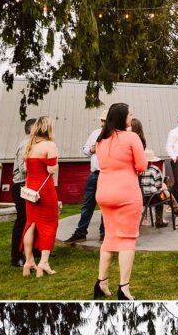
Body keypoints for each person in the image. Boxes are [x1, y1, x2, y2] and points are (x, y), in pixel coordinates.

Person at [93, 102, 147, 300]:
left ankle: (101, 282)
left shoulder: (101, 140)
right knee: (127, 239)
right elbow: (141, 165)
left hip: (104, 192)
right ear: (122, 117)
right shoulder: (131, 137)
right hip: (126, 193)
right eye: (129, 114)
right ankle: (123, 288)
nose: (131, 117)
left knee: (109, 237)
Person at [20, 116, 59, 278]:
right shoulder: (49, 145)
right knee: (50, 224)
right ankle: (44, 262)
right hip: (45, 191)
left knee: (32, 224)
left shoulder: (29, 146)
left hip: (31, 190)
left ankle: (29, 261)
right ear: (48, 128)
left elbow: (25, 168)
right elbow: (51, 170)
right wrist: (55, 165)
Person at [65, 112, 106, 244]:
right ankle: (81, 232)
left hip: (107, 174)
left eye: (105, 120)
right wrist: (91, 150)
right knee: (87, 205)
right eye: (101, 120)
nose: (103, 123)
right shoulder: (95, 133)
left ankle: (104, 233)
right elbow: (85, 149)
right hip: (94, 174)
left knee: (105, 206)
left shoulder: (114, 135)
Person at [133, 118, 168, 229]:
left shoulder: (137, 170)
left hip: (140, 197)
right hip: (152, 197)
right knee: (162, 195)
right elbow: (158, 185)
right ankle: (159, 221)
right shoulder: (155, 169)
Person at [10, 118, 35, 267]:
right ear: (32, 130)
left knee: (33, 220)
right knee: (22, 221)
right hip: (22, 187)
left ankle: (34, 250)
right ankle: (16, 256)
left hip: (30, 186)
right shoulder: (26, 145)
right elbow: (22, 168)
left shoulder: (34, 145)